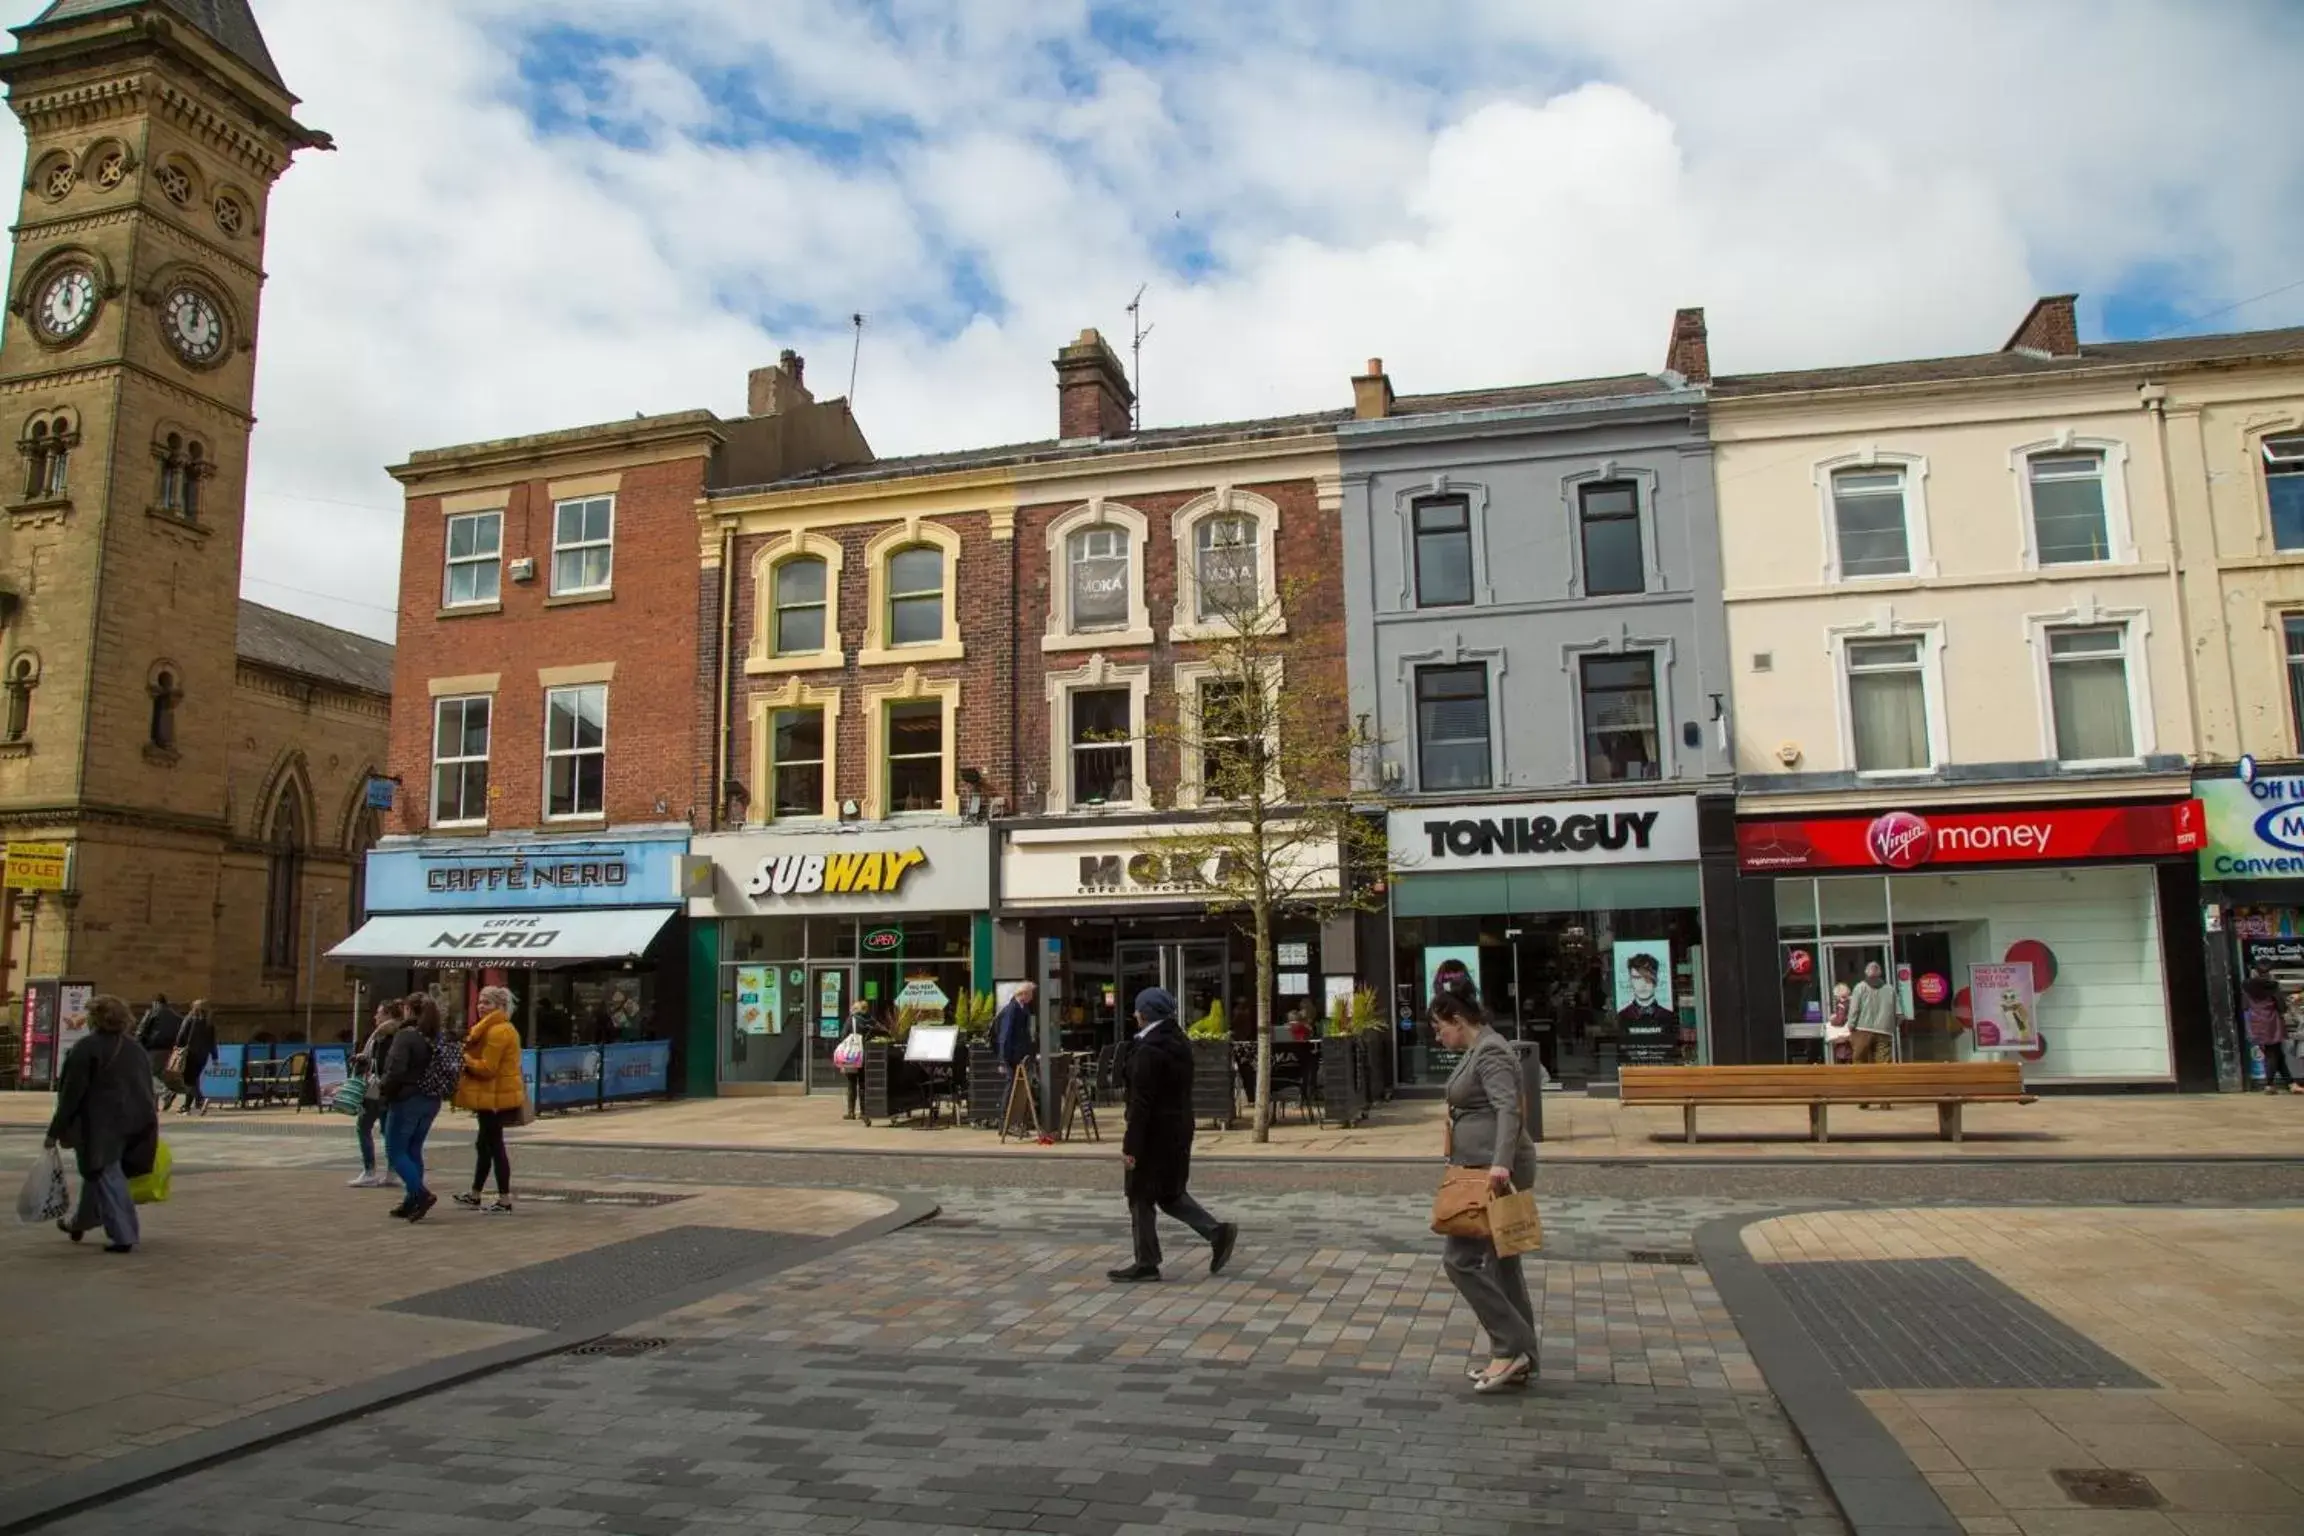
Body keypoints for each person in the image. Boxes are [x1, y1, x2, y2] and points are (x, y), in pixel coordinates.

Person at [1430, 976, 1538, 1393]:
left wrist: (1500, 1166)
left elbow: (1510, 1109)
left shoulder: (1490, 1050)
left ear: (1457, 1019)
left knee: (1460, 1259)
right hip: (1483, 1166)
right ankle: (1519, 1359)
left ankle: (1513, 1346)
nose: (1438, 1038)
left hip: (1491, 1172)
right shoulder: (1480, 1046)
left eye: (1440, 1029)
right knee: (1503, 1263)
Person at [1109, 986, 1237, 1284]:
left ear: (1144, 1014)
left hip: (1154, 1134)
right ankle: (1216, 1232)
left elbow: (1141, 1104)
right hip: (1179, 1129)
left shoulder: (1148, 1050)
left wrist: (1131, 1146)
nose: (1134, 1014)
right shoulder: (1178, 1041)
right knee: (1169, 1193)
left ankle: (1147, 1263)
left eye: (1137, 1010)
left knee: (1140, 1195)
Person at [45, 994, 159, 1253]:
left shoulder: (86, 1048)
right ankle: (82, 1220)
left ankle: (124, 1233)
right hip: (137, 1120)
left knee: (107, 1173)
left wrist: (55, 1131)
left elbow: (71, 1095)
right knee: (99, 1174)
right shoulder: (135, 1049)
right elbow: (147, 1088)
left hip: (101, 1124)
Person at [453, 985, 527, 1211]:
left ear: (500, 1006)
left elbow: (488, 1068)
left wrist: (464, 1059)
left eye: (487, 1003)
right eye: (480, 1002)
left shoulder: (498, 1031)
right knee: (484, 1144)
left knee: (494, 1146)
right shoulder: (490, 1028)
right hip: (490, 1096)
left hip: (495, 1098)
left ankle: (504, 1199)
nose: (481, 1007)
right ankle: (476, 1193)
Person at [379, 994, 444, 1221]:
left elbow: (395, 1071)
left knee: (395, 1150)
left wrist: (382, 1090)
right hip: (432, 1099)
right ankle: (410, 1201)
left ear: (408, 1010)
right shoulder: (436, 1036)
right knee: (413, 1148)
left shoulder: (406, 1036)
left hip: (407, 1099)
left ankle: (421, 1194)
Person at [349, 999, 404, 1188]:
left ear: (388, 1015)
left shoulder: (382, 1035)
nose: (375, 1016)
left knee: (363, 1125)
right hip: (392, 1089)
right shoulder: (401, 1034)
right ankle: (392, 1172)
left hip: (376, 1087)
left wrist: (363, 1061)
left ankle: (369, 1171)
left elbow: (379, 1064)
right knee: (388, 1130)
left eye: (379, 1013)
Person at [2241, 972, 2301, 1094]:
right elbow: (2282, 1007)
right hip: (2273, 1023)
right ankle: (2269, 1084)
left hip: (2256, 1023)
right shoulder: (2273, 988)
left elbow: (2245, 1006)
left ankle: (2291, 1084)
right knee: (2272, 1053)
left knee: (2276, 1054)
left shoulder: (2247, 988)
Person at [1613, 951, 1677, 1064]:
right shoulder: (1623, 1016)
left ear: (1656, 979)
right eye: (1637, 978)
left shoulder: (1668, 1016)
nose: (1642, 984)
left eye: (1647, 978)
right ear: (1630, 981)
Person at [173, 1000, 216, 1115]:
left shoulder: (189, 1019)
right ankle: (188, 1105)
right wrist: (215, 1057)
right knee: (194, 1079)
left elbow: (181, 1035)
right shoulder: (209, 1023)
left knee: (188, 1081)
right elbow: (212, 1042)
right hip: (203, 1056)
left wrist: (177, 1048)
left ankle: (200, 1099)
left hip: (190, 1054)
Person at [993, 981, 1038, 1078]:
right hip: (1012, 1056)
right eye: (1030, 994)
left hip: (1021, 1055)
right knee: (1011, 1084)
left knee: (1018, 1084)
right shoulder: (1012, 1009)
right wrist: (1003, 1060)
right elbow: (1005, 1034)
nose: (1032, 997)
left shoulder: (1024, 1008)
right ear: (1023, 994)